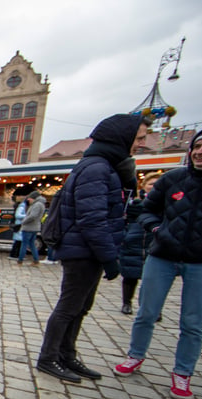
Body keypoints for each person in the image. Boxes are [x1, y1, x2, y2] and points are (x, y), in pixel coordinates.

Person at [36, 113, 149, 384]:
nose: (142, 144)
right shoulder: (97, 168)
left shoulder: (104, 167)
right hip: (82, 250)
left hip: (88, 250)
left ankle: (66, 354)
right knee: (69, 306)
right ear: (123, 137)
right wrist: (109, 256)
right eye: (140, 138)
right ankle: (49, 357)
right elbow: (92, 218)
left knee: (81, 306)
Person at [114, 128, 202, 399]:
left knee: (193, 322)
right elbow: (147, 211)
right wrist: (157, 230)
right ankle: (135, 355)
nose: (201, 152)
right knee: (146, 312)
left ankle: (183, 373)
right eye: (197, 146)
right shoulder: (173, 179)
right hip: (163, 255)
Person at [118, 171, 162, 314]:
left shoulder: (166, 202)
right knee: (130, 275)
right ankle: (127, 302)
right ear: (144, 186)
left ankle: (152, 308)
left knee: (153, 279)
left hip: (154, 242)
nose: (153, 187)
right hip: (134, 241)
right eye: (151, 184)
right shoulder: (134, 202)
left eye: (157, 184)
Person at [17, 191, 45, 266]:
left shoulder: (37, 205)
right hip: (35, 227)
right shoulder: (40, 204)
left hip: (29, 227)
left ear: (33, 198)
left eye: (29, 198)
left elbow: (32, 216)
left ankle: (20, 260)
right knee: (32, 244)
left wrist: (23, 221)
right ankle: (36, 260)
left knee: (24, 244)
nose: (28, 200)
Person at [9, 195, 26, 259]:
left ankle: (15, 254)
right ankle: (14, 254)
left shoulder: (20, 206)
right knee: (18, 240)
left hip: (18, 225)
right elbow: (17, 215)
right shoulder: (21, 207)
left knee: (18, 240)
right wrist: (26, 216)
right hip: (19, 225)